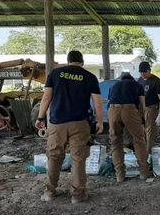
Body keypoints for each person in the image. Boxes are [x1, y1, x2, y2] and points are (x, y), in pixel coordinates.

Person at [35, 50, 104, 204]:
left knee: (54, 156)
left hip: (57, 123)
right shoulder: (90, 77)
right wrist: (99, 122)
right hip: (80, 123)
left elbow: (46, 97)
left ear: (68, 61)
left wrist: (40, 117)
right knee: (78, 159)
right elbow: (98, 103)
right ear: (82, 61)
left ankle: (49, 192)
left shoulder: (55, 74)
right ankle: (77, 195)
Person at [108, 72, 151, 182]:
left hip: (113, 110)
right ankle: (143, 172)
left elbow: (109, 102)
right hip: (129, 110)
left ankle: (120, 175)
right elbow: (142, 104)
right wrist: (143, 120)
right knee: (139, 140)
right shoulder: (137, 85)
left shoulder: (113, 86)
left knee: (116, 142)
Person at [137, 61, 160, 154]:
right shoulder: (139, 81)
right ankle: (141, 151)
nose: (142, 74)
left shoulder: (156, 81)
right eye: (141, 72)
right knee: (141, 130)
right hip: (141, 108)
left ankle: (148, 153)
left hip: (151, 109)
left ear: (149, 70)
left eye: (144, 72)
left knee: (150, 131)